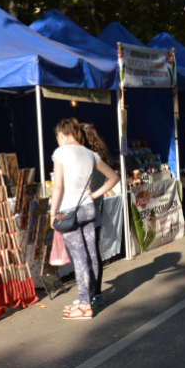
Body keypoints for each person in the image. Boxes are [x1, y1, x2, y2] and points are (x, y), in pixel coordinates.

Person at [50, 118, 120, 321]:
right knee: (91, 255)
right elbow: (114, 177)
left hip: (69, 210)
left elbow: (57, 186)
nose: (58, 141)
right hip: (89, 207)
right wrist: (96, 195)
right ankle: (90, 298)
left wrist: (53, 213)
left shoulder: (61, 152)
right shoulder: (91, 154)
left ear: (62, 135)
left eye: (58, 137)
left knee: (80, 258)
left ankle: (84, 305)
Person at [80, 123, 112, 309]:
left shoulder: (88, 159)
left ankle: (90, 294)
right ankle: (96, 293)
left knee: (87, 254)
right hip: (96, 208)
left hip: (86, 209)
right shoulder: (99, 156)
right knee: (93, 253)